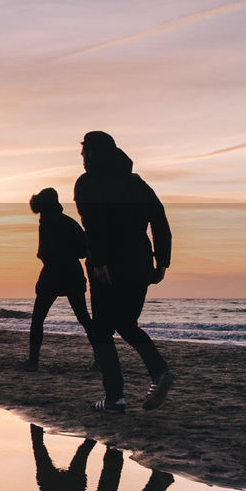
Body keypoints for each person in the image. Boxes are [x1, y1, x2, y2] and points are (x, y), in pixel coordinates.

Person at [74, 131, 173, 412]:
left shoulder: (88, 183)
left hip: (109, 267)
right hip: (140, 264)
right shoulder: (137, 183)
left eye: (83, 153)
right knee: (127, 324)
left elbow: (94, 224)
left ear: (91, 153)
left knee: (103, 331)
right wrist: (162, 261)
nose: (81, 159)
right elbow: (159, 218)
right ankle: (158, 371)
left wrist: (100, 262)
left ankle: (115, 397)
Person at [24, 188, 96, 371]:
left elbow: (43, 253)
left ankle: (33, 361)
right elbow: (83, 251)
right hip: (73, 273)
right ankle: (101, 358)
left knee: (38, 318)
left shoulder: (46, 223)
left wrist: (52, 259)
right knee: (84, 318)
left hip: (52, 274)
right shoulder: (70, 223)